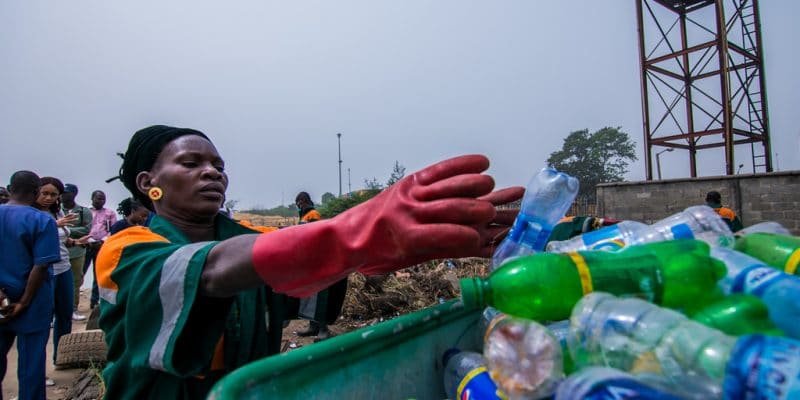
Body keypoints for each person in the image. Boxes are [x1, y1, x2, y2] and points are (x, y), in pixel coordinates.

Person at [94, 125, 523, 399]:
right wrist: (353, 229)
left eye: (218, 165)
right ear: (148, 183)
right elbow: (209, 270)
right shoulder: (127, 247)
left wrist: (391, 248)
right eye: (192, 163)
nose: (213, 173)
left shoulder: (249, 236)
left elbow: (299, 266)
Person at [0, 171, 61, 400]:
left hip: (1, 300)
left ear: (9, 188)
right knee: (31, 366)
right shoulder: (42, 220)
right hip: (32, 302)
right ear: (36, 192)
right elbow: (41, 266)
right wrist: (23, 302)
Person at [33, 177, 89, 385]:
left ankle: (63, 357)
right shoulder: (31, 213)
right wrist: (53, 225)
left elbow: (62, 239)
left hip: (63, 267)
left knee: (64, 315)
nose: (48, 198)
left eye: (53, 194)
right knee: (41, 321)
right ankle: (37, 372)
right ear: (35, 192)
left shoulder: (57, 212)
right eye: (44, 193)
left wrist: (76, 241)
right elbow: (33, 236)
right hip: (42, 272)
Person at [293, 192, 346, 340]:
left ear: (303, 201)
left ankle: (323, 329)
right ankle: (313, 326)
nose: (297, 206)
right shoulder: (304, 215)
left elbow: (314, 235)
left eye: (298, 202)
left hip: (318, 260)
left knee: (319, 297)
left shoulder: (313, 214)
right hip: (309, 261)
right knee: (310, 297)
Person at [61, 183, 93, 321]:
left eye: (66, 192)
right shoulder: (58, 210)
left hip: (77, 252)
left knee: (76, 281)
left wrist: (65, 230)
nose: (62, 195)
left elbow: (86, 230)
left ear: (73, 194)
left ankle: (73, 309)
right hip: (61, 251)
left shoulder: (83, 211)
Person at [83, 190, 117, 309]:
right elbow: (83, 229)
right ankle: (73, 303)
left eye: (103, 199)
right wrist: (91, 241)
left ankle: (94, 301)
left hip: (102, 246)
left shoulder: (110, 213)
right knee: (80, 273)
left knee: (98, 274)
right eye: (98, 198)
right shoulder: (85, 212)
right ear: (92, 198)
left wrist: (102, 241)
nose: (101, 201)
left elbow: (112, 230)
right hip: (86, 245)